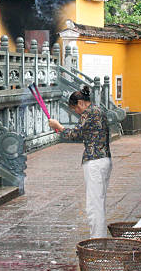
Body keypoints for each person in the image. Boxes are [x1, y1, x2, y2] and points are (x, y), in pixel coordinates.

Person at [48, 85, 112, 238]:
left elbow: (75, 134)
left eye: (75, 108)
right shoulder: (98, 110)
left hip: (94, 161)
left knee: (93, 205)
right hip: (105, 159)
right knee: (99, 202)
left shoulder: (88, 113)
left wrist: (59, 127)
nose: (76, 112)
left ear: (81, 103)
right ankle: (99, 237)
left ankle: (97, 241)